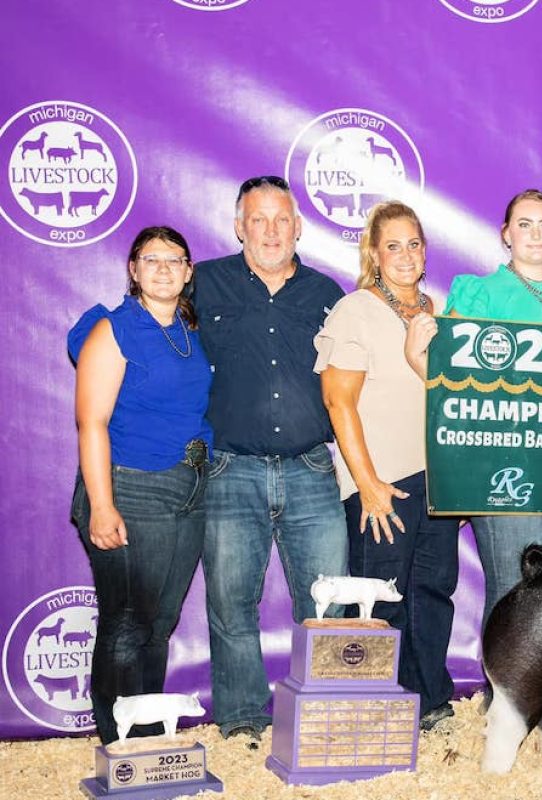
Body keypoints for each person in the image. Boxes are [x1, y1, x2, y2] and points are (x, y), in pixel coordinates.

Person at [193, 176, 348, 742]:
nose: (270, 230)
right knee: (232, 605)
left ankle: (330, 710)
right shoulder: (203, 284)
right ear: (239, 227)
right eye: (258, 219)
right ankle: (242, 721)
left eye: (281, 219)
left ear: (298, 226)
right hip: (230, 470)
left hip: (311, 467)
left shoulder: (327, 294)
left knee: (328, 600)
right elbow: (145, 319)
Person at [405, 189, 542, 624]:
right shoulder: (479, 293)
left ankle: (529, 690)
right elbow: (451, 382)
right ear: (505, 234)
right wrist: (418, 358)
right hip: (503, 456)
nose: (535, 234)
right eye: (524, 224)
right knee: (515, 588)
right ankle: (502, 692)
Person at [316, 201, 459, 730]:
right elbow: (338, 402)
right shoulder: (353, 310)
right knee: (382, 596)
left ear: (425, 252)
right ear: (374, 253)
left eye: (414, 243)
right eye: (393, 245)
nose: (405, 254)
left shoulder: (438, 313)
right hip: (382, 480)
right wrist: (368, 483)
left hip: (437, 481)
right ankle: (385, 702)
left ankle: (431, 698)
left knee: (432, 590)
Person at [69, 226, 212, 745]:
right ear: (133, 269)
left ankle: (147, 735)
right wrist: (102, 505)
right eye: (152, 259)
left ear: (188, 271)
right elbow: (92, 422)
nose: (164, 268)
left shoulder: (188, 331)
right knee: (128, 625)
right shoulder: (114, 329)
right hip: (130, 487)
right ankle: (119, 744)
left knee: (160, 621)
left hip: (189, 490)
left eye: (176, 259)